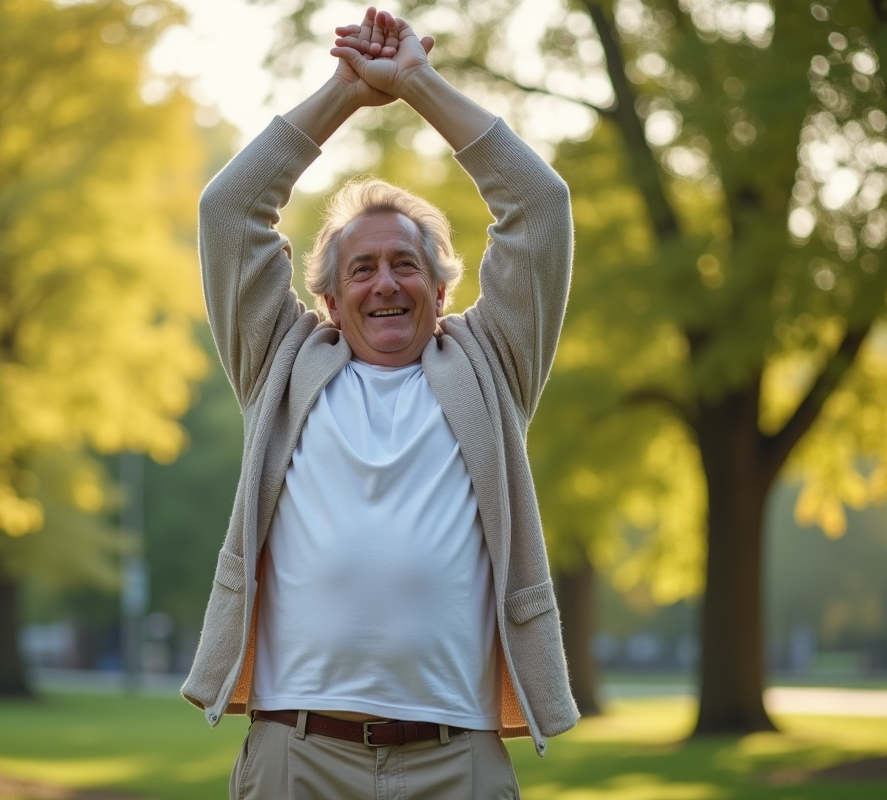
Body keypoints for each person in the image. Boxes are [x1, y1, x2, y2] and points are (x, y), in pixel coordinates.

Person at [181, 7, 578, 798]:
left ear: (441, 288)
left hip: (454, 758)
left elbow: (539, 206)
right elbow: (228, 213)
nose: (385, 283)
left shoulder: (492, 364)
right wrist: (346, 92)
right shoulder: (281, 362)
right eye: (361, 269)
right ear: (329, 299)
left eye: (405, 264)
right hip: (299, 754)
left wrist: (418, 85)